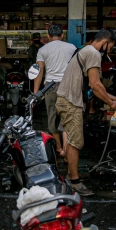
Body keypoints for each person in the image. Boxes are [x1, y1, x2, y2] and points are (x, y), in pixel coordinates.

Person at [55, 29, 116, 196]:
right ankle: (75, 182)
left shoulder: (86, 50)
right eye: (110, 48)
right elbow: (95, 85)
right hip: (70, 102)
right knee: (75, 142)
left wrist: (113, 97)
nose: (109, 52)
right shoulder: (93, 53)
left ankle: (71, 174)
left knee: (73, 139)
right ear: (105, 42)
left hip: (66, 100)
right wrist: (111, 103)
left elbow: (97, 88)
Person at [33, 25, 75, 159]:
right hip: (67, 86)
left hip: (50, 87)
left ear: (48, 37)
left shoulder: (42, 49)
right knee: (66, 118)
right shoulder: (72, 47)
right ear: (62, 35)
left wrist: (36, 92)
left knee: (52, 117)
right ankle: (67, 149)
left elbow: (39, 71)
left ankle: (59, 147)